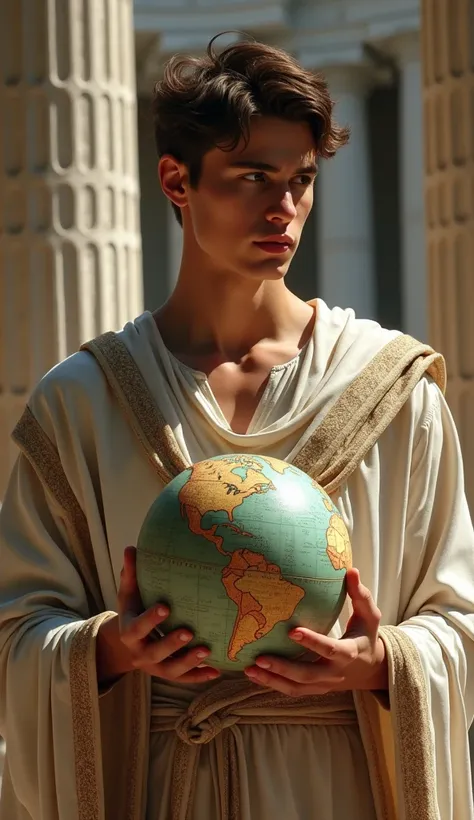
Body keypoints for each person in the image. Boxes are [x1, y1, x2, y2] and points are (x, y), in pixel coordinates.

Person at [0, 33, 473, 820]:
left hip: (337, 789)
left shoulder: (393, 390)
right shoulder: (82, 402)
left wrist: (382, 662)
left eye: (301, 180)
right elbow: (16, 631)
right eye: (253, 178)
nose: (283, 209)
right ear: (176, 181)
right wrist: (110, 652)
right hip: (156, 790)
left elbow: (458, 619)